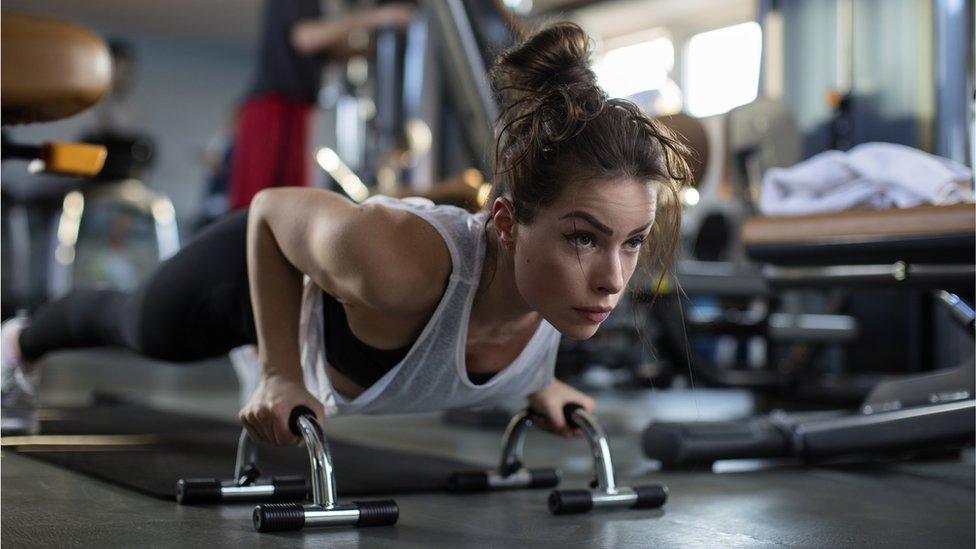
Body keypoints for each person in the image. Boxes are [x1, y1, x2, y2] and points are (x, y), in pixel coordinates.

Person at [0, 22, 691, 443]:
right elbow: (270, 209)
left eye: (632, 241)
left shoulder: (557, 297)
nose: (613, 276)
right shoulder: (402, 262)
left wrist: (539, 386)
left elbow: (516, 322)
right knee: (134, 324)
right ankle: (18, 340)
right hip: (255, 273)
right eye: (583, 238)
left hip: (324, 311)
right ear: (507, 224)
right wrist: (279, 373)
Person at [227, 0, 415, 210]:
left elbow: (319, 49)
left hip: (290, 107)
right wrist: (378, 17)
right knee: (264, 206)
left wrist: (373, 47)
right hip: (274, 107)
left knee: (284, 205)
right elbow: (304, 37)